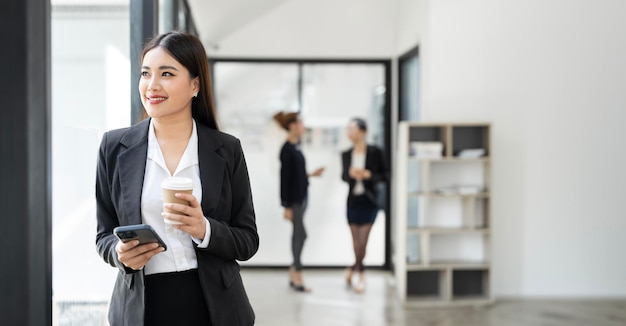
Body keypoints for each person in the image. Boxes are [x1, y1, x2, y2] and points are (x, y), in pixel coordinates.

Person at [95, 31, 258, 326]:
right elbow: (103, 235)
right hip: (143, 307)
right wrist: (120, 254)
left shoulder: (226, 149)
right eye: (146, 74)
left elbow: (247, 241)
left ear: (195, 84)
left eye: (166, 73)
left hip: (213, 308)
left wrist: (204, 229)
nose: (152, 85)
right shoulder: (114, 148)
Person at [273, 111, 324, 293]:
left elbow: (297, 176)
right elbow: (285, 180)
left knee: (298, 235)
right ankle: (297, 272)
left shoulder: (297, 147)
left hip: (301, 198)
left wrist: (311, 174)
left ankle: (294, 272)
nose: (303, 127)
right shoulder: (286, 149)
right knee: (301, 235)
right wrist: (286, 205)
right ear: (293, 126)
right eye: (301, 123)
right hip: (294, 201)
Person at [341, 117, 388, 293]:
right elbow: (343, 177)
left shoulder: (376, 152)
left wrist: (369, 175)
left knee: (363, 242)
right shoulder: (346, 154)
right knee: (355, 242)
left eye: (351, 129)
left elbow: (385, 175)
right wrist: (351, 174)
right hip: (353, 201)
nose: (349, 133)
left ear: (362, 131)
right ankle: (359, 272)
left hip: (369, 200)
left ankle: (357, 272)